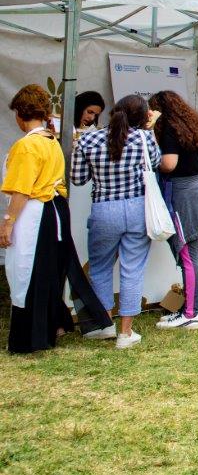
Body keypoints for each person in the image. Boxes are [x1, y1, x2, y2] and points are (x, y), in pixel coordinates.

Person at [3, 84, 113, 353]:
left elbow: (21, 189)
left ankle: (30, 336)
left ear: (20, 113)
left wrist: (8, 221)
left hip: (35, 210)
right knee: (50, 271)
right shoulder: (52, 140)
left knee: (27, 271)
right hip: (55, 209)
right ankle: (54, 325)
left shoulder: (27, 146)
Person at [71, 94, 161, 349]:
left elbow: (77, 179)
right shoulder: (144, 138)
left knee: (99, 269)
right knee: (132, 270)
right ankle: (126, 332)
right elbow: (154, 164)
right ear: (143, 116)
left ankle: (104, 325)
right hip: (136, 208)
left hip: (103, 208)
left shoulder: (88, 138)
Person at [147, 91, 198, 330]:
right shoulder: (194, 127)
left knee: (187, 254)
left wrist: (153, 149)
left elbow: (169, 164)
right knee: (193, 255)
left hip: (182, 195)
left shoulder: (170, 130)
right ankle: (193, 309)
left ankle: (190, 313)